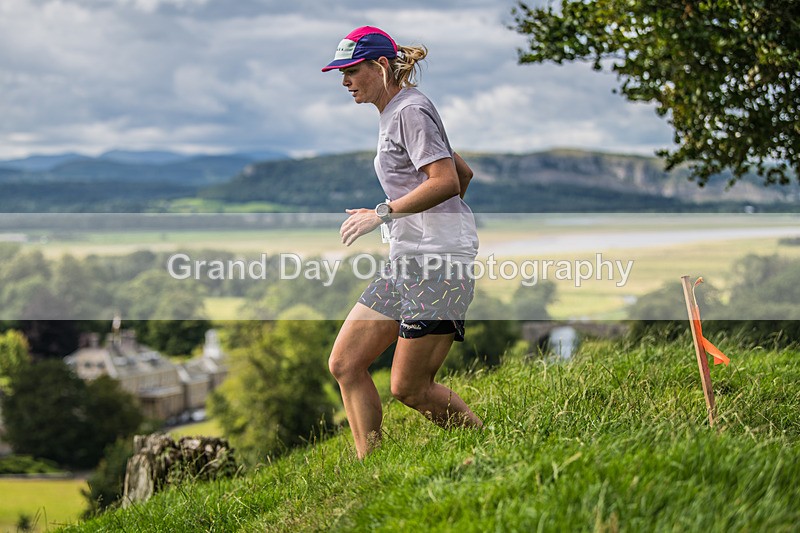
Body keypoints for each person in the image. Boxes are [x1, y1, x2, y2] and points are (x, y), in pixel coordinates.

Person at [323, 26, 483, 459]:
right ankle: (370, 468)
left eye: (351, 70)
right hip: (409, 262)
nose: (344, 81)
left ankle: (486, 445)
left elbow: (447, 180)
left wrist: (384, 214)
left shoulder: (410, 111)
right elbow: (462, 173)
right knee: (345, 363)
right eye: (340, 73)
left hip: (437, 265)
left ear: (379, 66)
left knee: (409, 388)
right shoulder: (396, 112)